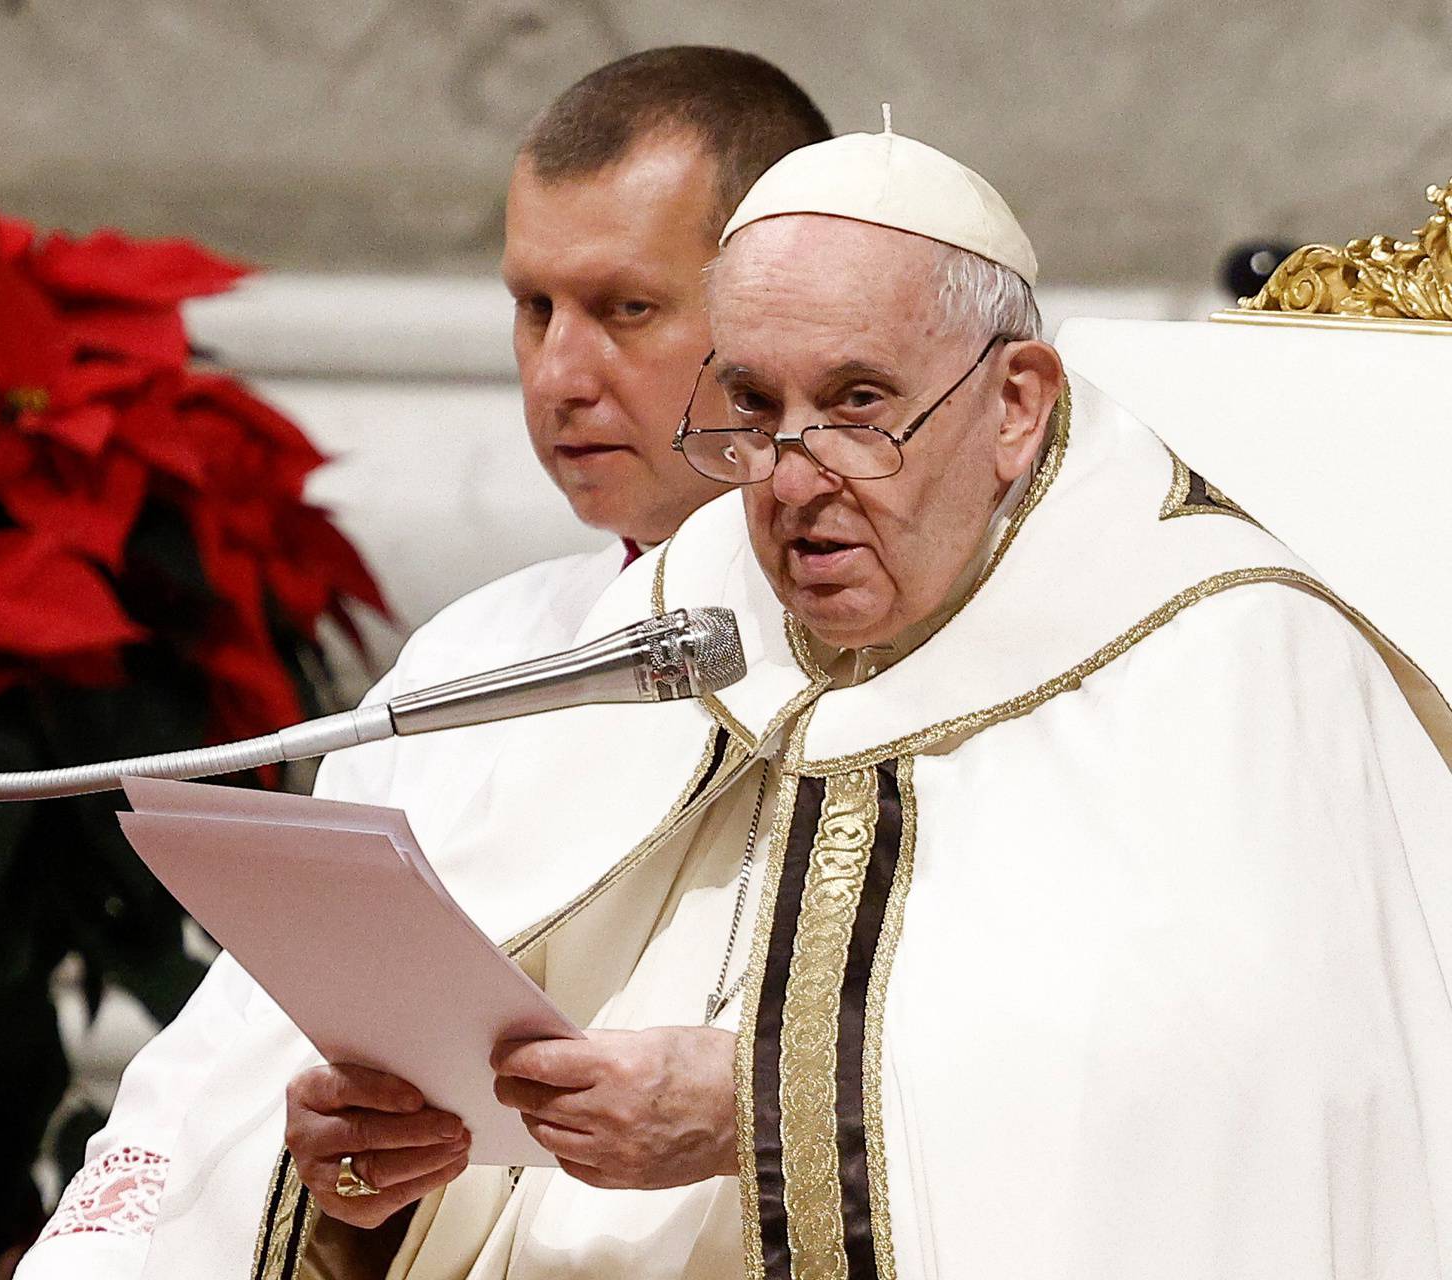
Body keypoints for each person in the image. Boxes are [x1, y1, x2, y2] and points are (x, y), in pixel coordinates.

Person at [267, 128, 1452, 1277]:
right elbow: (514, 1045)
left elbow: (1269, 1112)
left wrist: (759, 1111)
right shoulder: (697, 612)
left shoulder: (1228, 646)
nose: (790, 476)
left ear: (1016, 404)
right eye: (751, 405)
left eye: (856, 404)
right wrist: (394, 1160)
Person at [15, 48, 831, 1277]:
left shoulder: (892, 666)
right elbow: (253, 1095)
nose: (558, 374)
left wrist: (756, 1111)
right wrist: (352, 1190)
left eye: (626, 309)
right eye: (531, 307)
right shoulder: (474, 656)